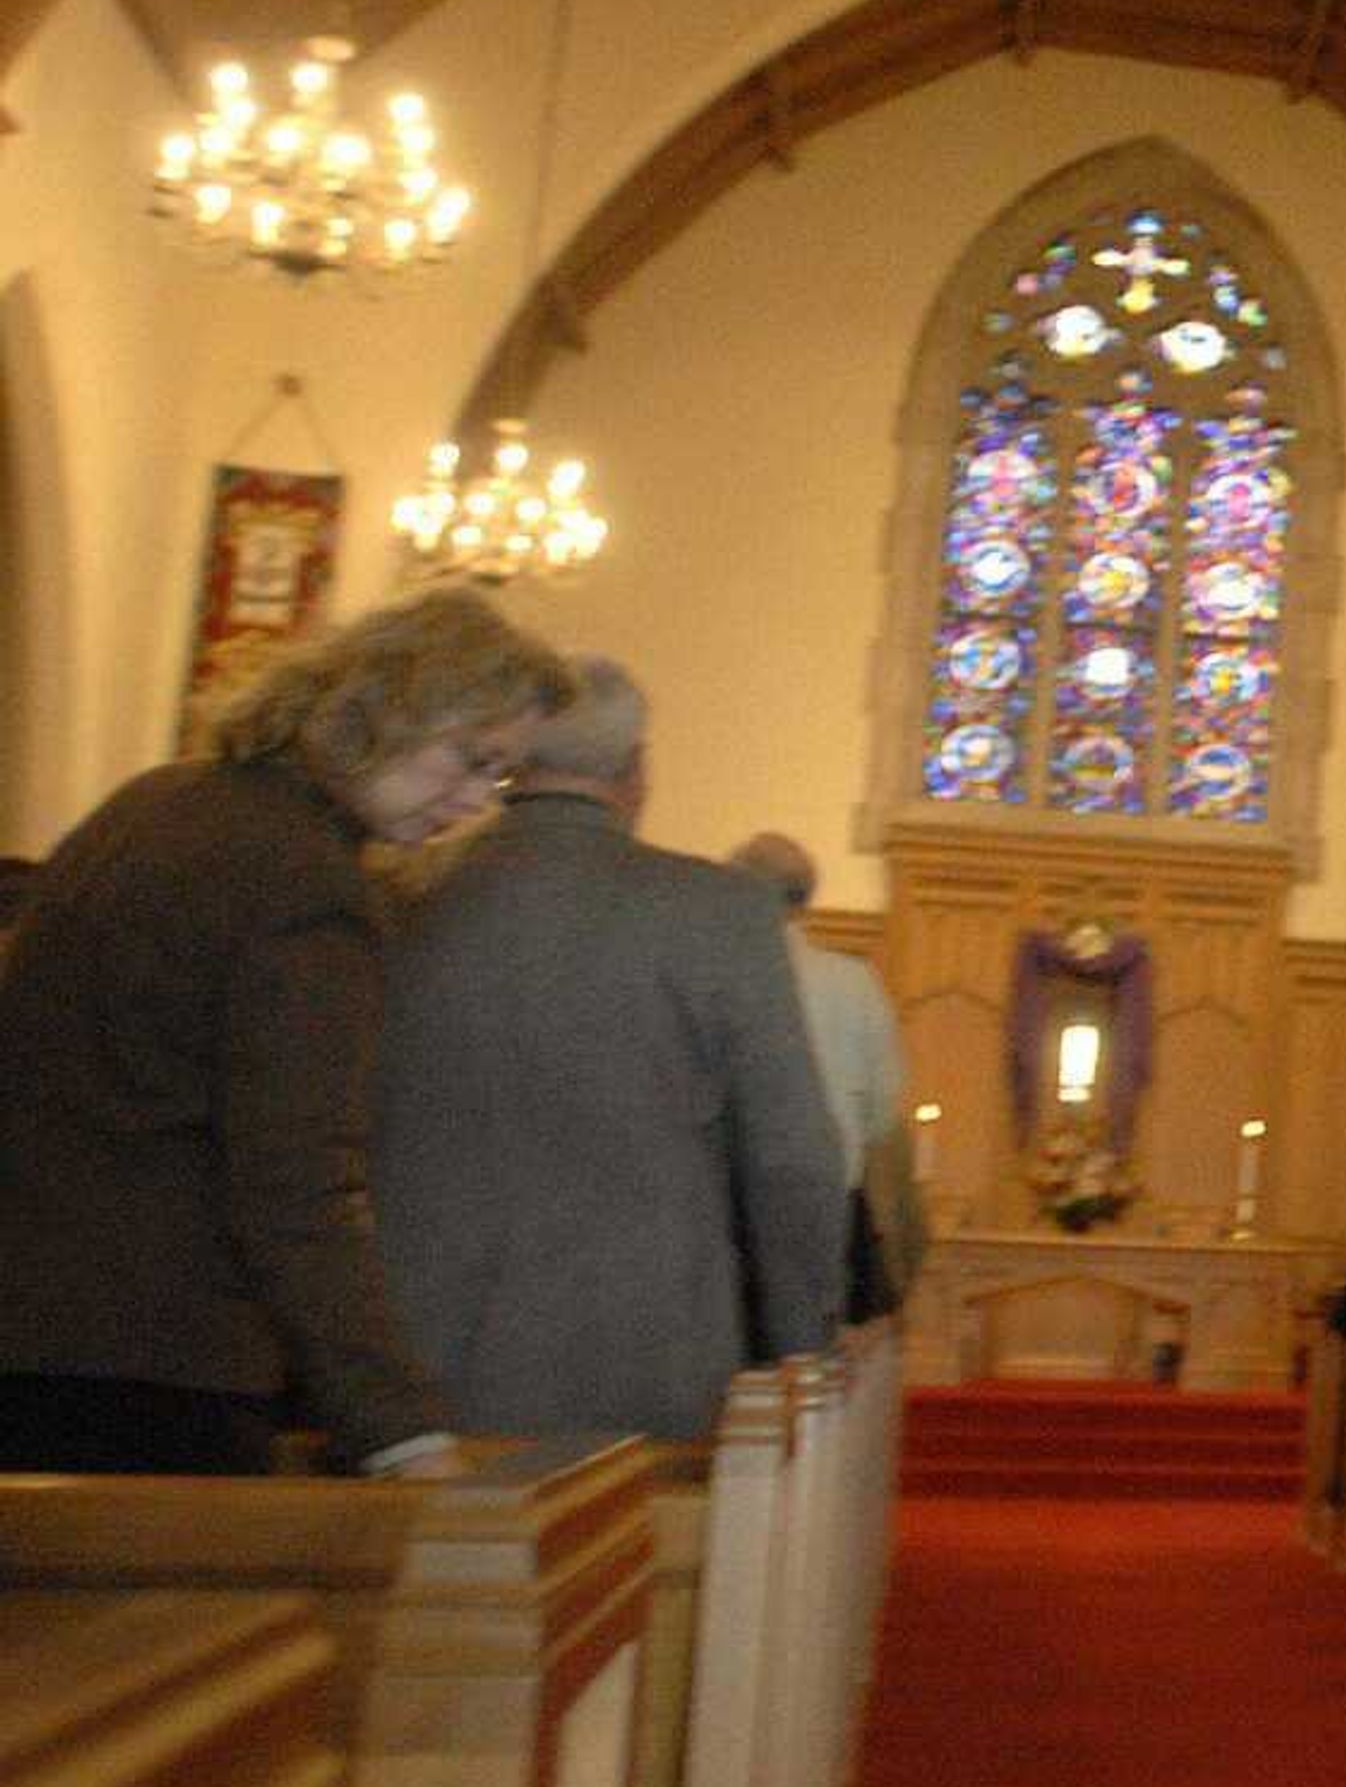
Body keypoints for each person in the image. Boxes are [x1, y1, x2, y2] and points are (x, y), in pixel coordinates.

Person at [0, 587, 572, 1476]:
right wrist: (403, 1434)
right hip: (153, 1368)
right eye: (469, 759)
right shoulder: (309, 886)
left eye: (498, 780)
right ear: (390, 703)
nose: (473, 803)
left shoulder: (156, 801)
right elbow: (297, 1188)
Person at [375, 659, 845, 1443]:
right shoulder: (721, 912)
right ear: (637, 768)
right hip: (642, 1357)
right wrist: (805, 1344)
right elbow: (791, 1157)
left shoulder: (403, 896)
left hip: (411, 1358)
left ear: (510, 761)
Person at [728, 830, 921, 1316]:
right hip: (827, 1204)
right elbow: (882, 1111)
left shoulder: (709, 973)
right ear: (805, 900)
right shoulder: (852, 982)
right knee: (814, 1361)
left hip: (726, 1209)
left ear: (734, 892)